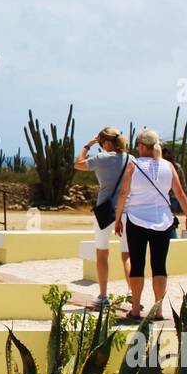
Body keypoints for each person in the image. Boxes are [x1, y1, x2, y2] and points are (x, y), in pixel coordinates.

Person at [114, 128, 187, 321]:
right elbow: (180, 194)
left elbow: (123, 194)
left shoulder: (133, 166)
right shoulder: (168, 166)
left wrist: (117, 219)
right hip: (163, 222)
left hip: (136, 220)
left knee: (138, 264)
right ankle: (158, 310)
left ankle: (135, 310)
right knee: (159, 266)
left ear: (141, 146)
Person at [73, 126, 132, 306]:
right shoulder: (131, 159)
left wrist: (87, 145)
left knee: (102, 253)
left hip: (105, 212)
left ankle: (103, 295)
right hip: (126, 211)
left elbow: (78, 164)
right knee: (127, 254)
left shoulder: (101, 158)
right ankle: (131, 291)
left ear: (106, 142)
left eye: (101, 142)